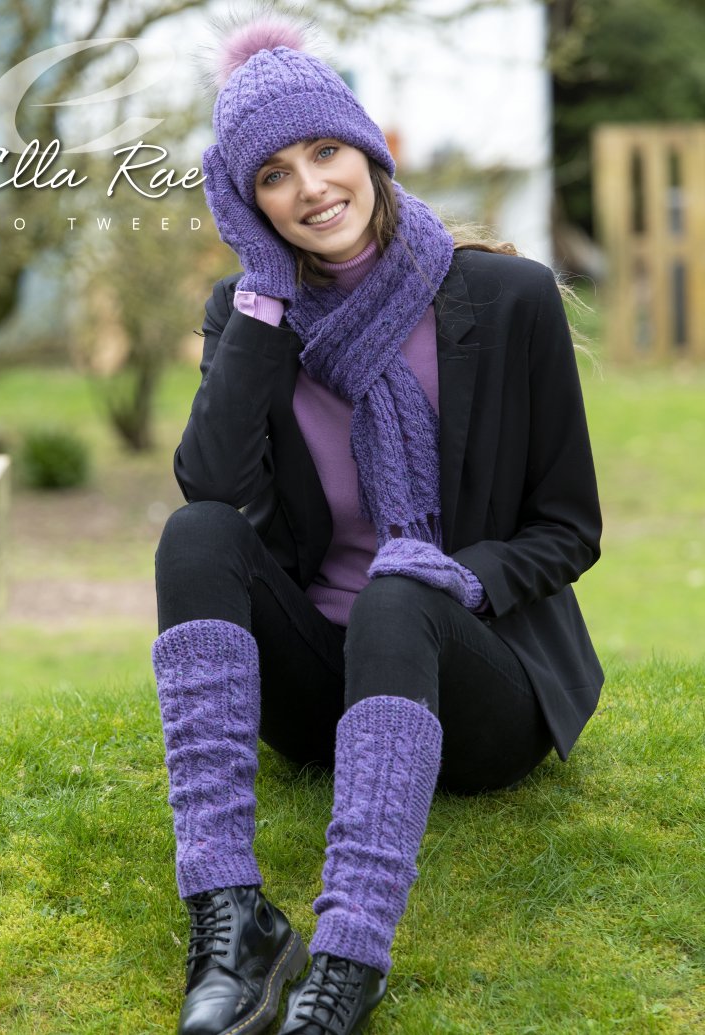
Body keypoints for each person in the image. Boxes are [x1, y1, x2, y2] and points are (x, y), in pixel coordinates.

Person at [152, 14, 603, 1035]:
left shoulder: (507, 298)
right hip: (325, 689)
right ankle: (230, 915)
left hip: (475, 681)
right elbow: (212, 486)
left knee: (402, 587)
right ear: (247, 203)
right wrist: (263, 301)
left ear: (366, 150)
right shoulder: (249, 314)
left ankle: (348, 959)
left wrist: (459, 578)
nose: (310, 187)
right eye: (272, 175)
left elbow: (566, 529)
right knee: (194, 535)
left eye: (325, 151)